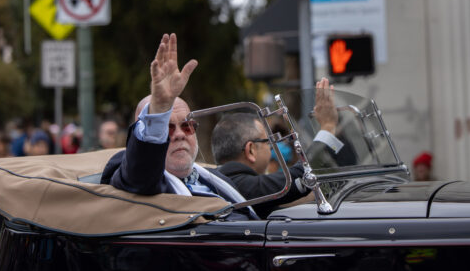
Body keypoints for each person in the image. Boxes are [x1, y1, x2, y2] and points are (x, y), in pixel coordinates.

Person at [101, 33, 257, 220]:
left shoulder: (214, 178)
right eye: (167, 128)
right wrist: (159, 108)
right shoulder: (137, 178)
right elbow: (142, 168)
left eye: (187, 126)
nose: (180, 135)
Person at [211, 79, 345, 218]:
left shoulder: (226, 182)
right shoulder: (237, 185)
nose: (271, 148)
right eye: (268, 142)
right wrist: (328, 126)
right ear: (250, 150)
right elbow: (303, 174)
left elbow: (285, 200)